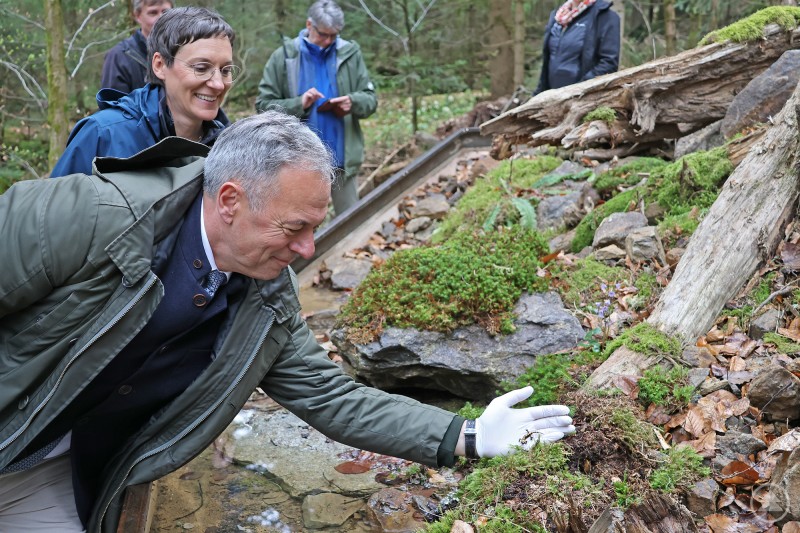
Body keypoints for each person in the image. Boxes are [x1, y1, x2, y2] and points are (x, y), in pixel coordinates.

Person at [0, 110, 575, 532]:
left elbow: (329, 397)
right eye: (293, 228)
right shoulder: (91, 216)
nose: (307, 250)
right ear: (230, 200)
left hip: (55, 471)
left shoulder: (266, 296)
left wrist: (466, 436)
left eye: (316, 227)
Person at [50, 6, 236, 178]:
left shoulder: (229, 147)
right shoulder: (103, 135)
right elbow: (55, 210)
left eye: (226, 70)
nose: (218, 84)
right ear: (160, 65)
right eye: (201, 68)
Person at [256, 0, 377, 216]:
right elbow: (263, 106)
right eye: (323, 34)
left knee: (349, 221)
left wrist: (353, 102)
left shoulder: (349, 53)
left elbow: (370, 100)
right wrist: (299, 103)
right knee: (299, 223)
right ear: (309, 25)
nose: (328, 41)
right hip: (297, 164)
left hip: (342, 161)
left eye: (334, 35)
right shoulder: (285, 56)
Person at [534, 0, 620, 95]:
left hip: (584, 99)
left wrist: (577, 91)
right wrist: (538, 95)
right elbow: (548, 62)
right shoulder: (557, 16)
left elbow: (609, 63)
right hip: (552, 97)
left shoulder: (605, 16)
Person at [100, 0, 173, 94]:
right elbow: (112, 105)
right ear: (138, 16)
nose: (161, 18)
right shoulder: (119, 57)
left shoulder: (183, 51)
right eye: (153, 13)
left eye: (165, 12)